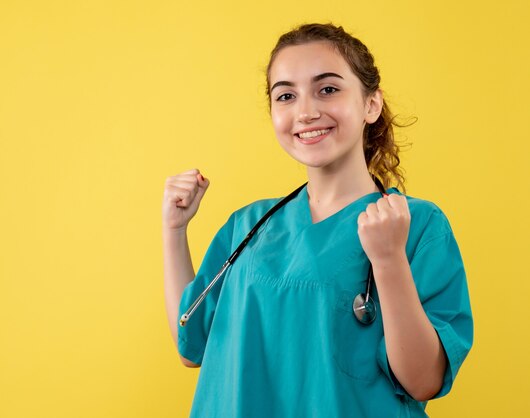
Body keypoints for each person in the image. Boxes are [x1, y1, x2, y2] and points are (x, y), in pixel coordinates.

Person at [162, 23, 473, 418]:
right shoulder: (248, 227)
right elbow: (192, 345)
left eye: (328, 89)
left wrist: (389, 258)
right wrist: (175, 230)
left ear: (370, 105)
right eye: (286, 95)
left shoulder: (418, 226)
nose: (306, 112)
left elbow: (424, 380)